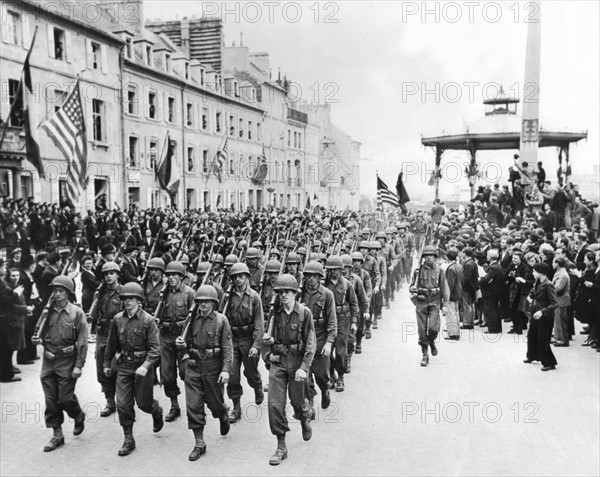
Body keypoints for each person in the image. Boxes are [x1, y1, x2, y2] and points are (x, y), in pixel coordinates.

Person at [103, 282, 163, 456]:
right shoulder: (117, 319)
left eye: (131, 298)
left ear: (139, 300)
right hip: (124, 367)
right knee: (123, 404)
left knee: (143, 404)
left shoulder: (148, 320)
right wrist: (107, 364)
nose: (127, 301)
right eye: (124, 298)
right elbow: (111, 344)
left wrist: (145, 366)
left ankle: (155, 411)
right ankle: (128, 438)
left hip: (142, 367)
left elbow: (155, 349)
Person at [263, 274, 316, 466]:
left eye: (287, 292)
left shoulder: (304, 313)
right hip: (278, 362)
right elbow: (265, 341)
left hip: (296, 362)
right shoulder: (273, 314)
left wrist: (304, 367)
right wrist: (267, 354)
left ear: (295, 293)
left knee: (298, 401)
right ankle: (281, 445)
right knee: (275, 404)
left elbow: (311, 343)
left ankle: (304, 418)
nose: (283, 295)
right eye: (280, 292)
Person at [176, 285, 233, 461]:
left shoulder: (221, 320)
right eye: (200, 302)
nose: (203, 305)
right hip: (194, 365)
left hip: (213, 367)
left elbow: (227, 348)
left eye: (207, 302)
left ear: (214, 303)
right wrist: (181, 351)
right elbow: (182, 343)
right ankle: (199, 442)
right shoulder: (190, 320)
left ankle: (222, 414)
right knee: (193, 406)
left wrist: (225, 370)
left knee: (215, 403)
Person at [34, 275, 88, 451]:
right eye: (54, 291)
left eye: (61, 291)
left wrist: (79, 365)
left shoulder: (76, 313)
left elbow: (82, 342)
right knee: (51, 400)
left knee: (64, 399)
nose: (57, 294)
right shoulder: (46, 311)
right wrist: (36, 339)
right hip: (49, 361)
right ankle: (57, 434)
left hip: (67, 361)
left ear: (68, 293)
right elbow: (38, 332)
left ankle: (78, 415)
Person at [223, 262, 264, 423]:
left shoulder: (254, 297)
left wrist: (256, 345)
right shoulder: (227, 297)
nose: (238, 280)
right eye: (235, 277)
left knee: (251, 372)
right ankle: (236, 406)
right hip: (232, 338)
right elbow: (222, 318)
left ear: (247, 277)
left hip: (248, 338)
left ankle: (257, 386)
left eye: (241, 276)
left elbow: (259, 323)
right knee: (232, 374)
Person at [158, 261, 195, 422]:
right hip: (166, 337)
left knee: (186, 373)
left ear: (181, 276)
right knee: (166, 374)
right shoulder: (163, 293)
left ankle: (193, 406)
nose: (171, 278)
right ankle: (174, 405)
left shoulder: (189, 293)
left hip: (183, 338)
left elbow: (194, 318)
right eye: (168, 275)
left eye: (174, 275)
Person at [301, 261, 336, 416]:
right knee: (305, 377)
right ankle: (310, 405)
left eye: (315, 276)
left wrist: (329, 342)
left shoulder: (327, 294)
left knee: (322, 375)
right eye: (308, 276)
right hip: (305, 339)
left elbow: (332, 320)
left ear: (320, 277)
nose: (311, 279)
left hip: (321, 338)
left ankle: (324, 390)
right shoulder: (299, 293)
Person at [89, 261, 123, 417]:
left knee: (118, 367)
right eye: (106, 274)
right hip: (102, 334)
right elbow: (94, 314)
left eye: (111, 273)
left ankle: (123, 399)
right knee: (103, 368)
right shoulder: (101, 292)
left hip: (117, 334)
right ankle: (110, 401)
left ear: (117, 274)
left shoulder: (124, 292)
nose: (109, 276)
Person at [409, 245, 450, 367]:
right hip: (421, 301)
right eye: (426, 256)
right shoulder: (417, 271)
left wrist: (445, 305)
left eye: (431, 256)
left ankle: (431, 341)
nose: (429, 258)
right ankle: (425, 354)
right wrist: (413, 292)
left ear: (435, 258)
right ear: (423, 257)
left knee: (433, 328)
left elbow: (445, 288)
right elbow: (411, 288)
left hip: (434, 300)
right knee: (422, 330)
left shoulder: (440, 270)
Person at [524, 263, 558, 371]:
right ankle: (532, 356)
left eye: (534, 271)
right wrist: (530, 296)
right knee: (532, 335)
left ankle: (549, 362)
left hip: (544, 316)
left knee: (543, 339)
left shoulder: (548, 285)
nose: (532, 273)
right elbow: (534, 291)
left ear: (541, 272)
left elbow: (554, 303)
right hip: (535, 313)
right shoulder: (537, 282)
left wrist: (542, 312)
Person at [444, 248, 463, 340]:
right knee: (456, 313)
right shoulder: (459, 266)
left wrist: (445, 295)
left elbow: (449, 284)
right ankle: (456, 332)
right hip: (458, 292)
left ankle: (453, 333)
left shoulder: (450, 268)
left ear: (447, 258)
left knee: (450, 314)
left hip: (451, 294)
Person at [551, 257, 571, 347]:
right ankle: (558, 337)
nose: (552, 264)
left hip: (561, 300)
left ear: (557, 264)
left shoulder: (563, 274)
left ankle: (563, 340)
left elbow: (558, 288)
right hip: (558, 300)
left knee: (560, 321)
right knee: (557, 320)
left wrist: (549, 288)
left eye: (553, 262)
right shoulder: (559, 272)